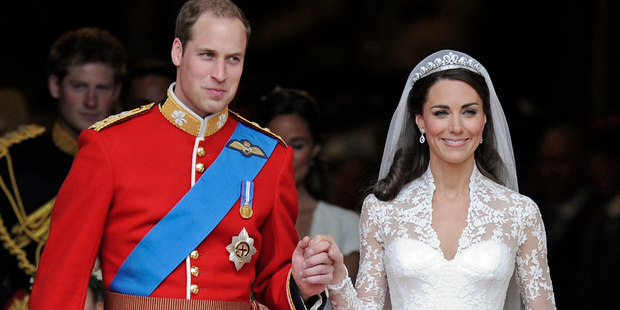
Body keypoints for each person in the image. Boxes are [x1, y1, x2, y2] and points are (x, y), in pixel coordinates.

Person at [28, 1, 332, 309]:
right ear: (178, 52)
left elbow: (273, 280)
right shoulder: (109, 144)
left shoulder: (269, 156)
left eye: (233, 59)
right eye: (207, 55)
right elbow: (62, 279)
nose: (220, 74)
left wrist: (302, 283)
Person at [306, 50, 556, 309]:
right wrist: (337, 277)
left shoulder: (520, 212)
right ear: (420, 121)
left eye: (469, 112)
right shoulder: (381, 209)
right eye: (441, 113)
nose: (456, 126)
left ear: (484, 119)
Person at [0, 27, 125, 309]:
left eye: (101, 88)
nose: (91, 101)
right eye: (79, 86)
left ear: (116, 91)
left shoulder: (135, 162)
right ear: (55, 86)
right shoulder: (12, 162)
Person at [256, 87, 360, 284]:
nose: (286, 158)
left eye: (297, 145)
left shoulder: (346, 225)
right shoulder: (239, 219)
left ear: (315, 149)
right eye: (275, 145)